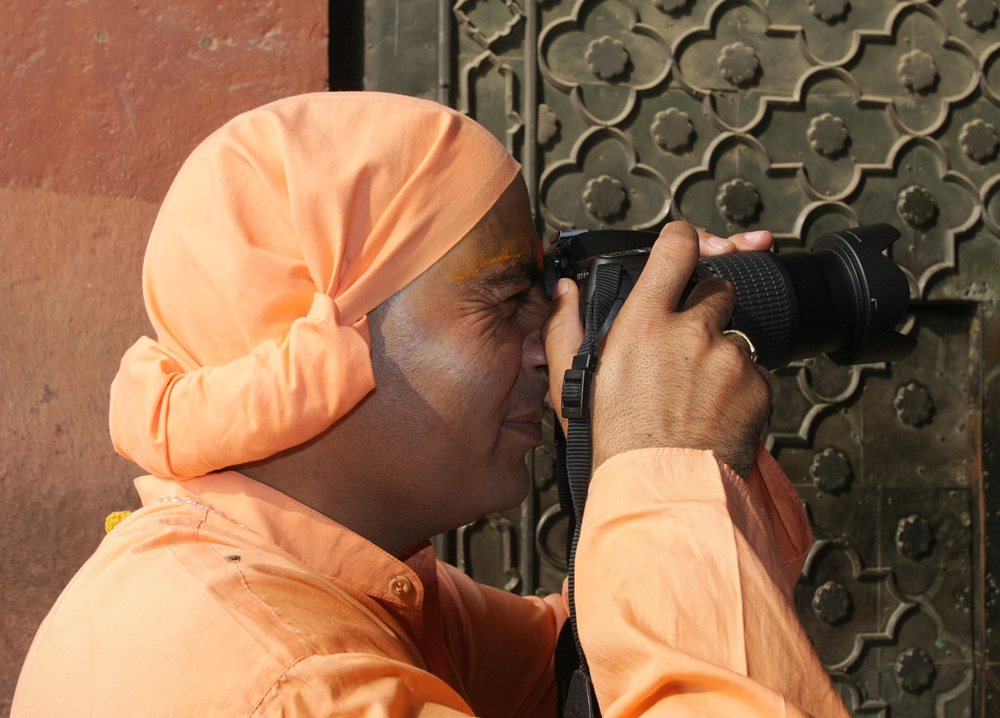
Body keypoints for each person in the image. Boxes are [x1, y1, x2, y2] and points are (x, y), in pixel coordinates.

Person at [12, 92, 849, 717]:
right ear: (324, 339)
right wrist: (663, 470)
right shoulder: (294, 687)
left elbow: (595, 668)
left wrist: (666, 409)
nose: (545, 340)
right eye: (510, 296)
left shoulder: (308, 574)